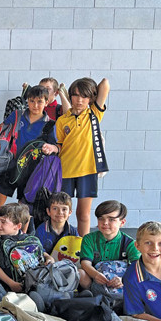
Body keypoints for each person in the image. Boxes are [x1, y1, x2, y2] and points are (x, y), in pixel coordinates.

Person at [54, 76, 110, 235]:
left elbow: (105, 83)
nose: (80, 100)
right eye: (76, 95)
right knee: (61, 214)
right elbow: (60, 144)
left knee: (83, 214)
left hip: (88, 170)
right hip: (65, 171)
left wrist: (91, 91)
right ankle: (62, 243)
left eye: (85, 96)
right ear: (70, 95)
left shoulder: (94, 114)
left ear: (91, 98)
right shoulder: (62, 120)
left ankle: (82, 246)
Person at [0, 85, 59, 211]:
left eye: (39, 101)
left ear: (46, 103)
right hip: (10, 165)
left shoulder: (50, 124)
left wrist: (51, 148)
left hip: (32, 170)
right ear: (27, 101)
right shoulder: (17, 115)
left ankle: (23, 231)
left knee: (25, 208)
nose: (35, 105)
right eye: (32, 101)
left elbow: (56, 146)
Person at [0, 203, 53, 295]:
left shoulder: (29, 239)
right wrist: (12, 284)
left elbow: (43, 253)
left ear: (18, 226)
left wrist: (49, 258)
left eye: (3, 222)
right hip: (6, 283)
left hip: (30, 281)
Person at [78, 200, 140, 290]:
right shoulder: (89, 239)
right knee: (80, 273)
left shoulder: (130, 243)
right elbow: (85, 263)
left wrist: (123, 280)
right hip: (96, 280)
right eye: (101, 218)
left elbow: (138, 267)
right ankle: (93, 294)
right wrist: (96, 275)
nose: (105, 222)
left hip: (120, 283)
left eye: (111, 219)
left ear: (122, 222)